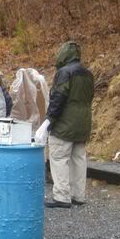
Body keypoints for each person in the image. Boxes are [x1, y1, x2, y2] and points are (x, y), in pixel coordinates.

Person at [34, 41, 94, 208]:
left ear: (63, 55)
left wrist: (48, 121)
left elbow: (58, 98)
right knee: (79, 159)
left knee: (59, 157)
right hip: (83, 122)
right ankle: (78, 195)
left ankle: (62, 196)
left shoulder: (64, 73)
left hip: (65, 123)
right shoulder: (88, 74)